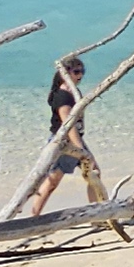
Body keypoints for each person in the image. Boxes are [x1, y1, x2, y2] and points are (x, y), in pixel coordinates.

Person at [19, 51, 111, 217]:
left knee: (93, 174)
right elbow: (68, 126)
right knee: (53, 180)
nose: (80, 75)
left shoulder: (73, 92)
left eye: (82, 71)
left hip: (74, 141)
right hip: (66, 143)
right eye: (76, 72)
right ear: (65, 73)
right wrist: (80, 150)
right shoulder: (63, 96)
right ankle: (34, 217)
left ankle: (98, 214)